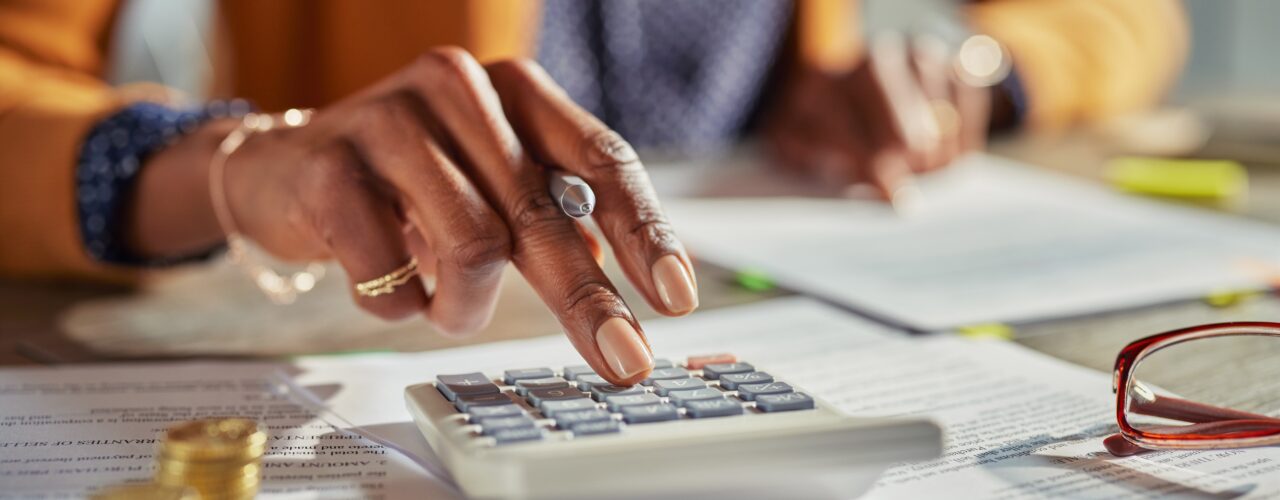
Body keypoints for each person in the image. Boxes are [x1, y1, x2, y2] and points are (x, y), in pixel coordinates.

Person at [0, 0, 1187, 384]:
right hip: (397, 321)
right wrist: (223, 163)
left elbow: (1136, 16)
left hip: (809, 300)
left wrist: (975, 64)